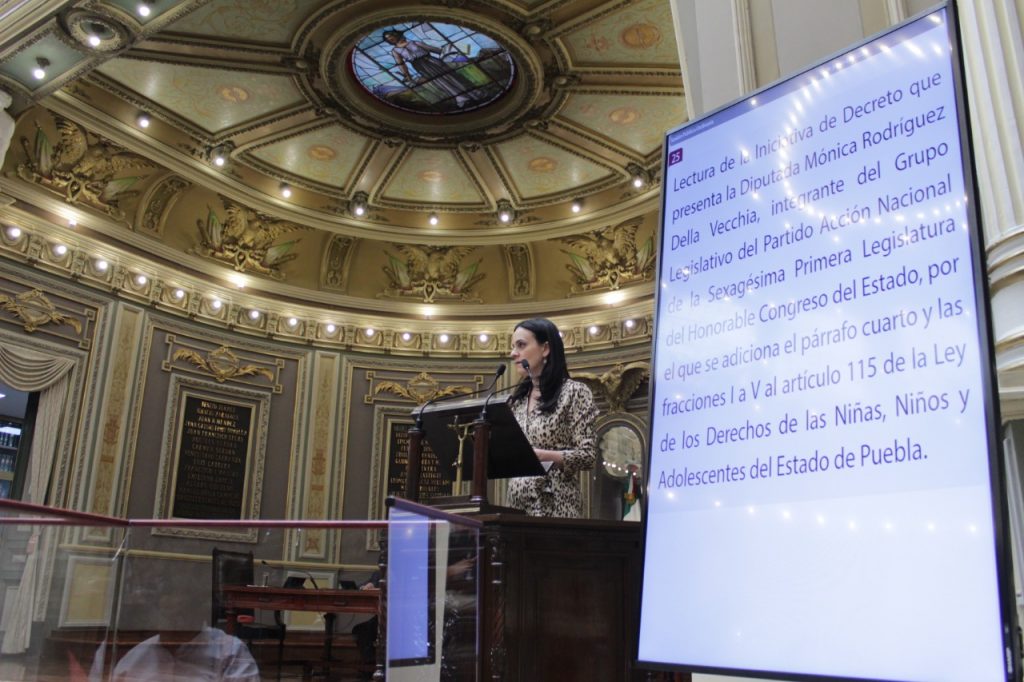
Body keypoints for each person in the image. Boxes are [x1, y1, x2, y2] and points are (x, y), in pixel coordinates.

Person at [506, 318, 597, 517]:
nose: (513, 353)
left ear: (545, 348)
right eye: (513, 347)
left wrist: (542, 456)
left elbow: (589, 456)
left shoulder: (574, 393)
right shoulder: (517, 401)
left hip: (557, 507)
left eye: (521, 345)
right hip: (516, 511)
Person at [382, 29, 476, 108]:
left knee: (452, 77)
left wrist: (458, 55)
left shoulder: (415, 42)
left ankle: (475, 94)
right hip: (420, 67)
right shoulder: (395, 51)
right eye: (388, 39)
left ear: (397, 35)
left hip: (432, 61)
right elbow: (401, 64)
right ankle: (462, 98)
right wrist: (407, 75)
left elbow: (435, 50)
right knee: (440, 82)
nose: (390, 39)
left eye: (391, 36)